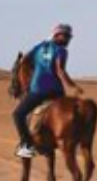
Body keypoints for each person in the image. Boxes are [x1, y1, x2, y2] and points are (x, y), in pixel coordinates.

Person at [13, 23, 84, 158]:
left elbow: (24, 62)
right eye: (66, 36)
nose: (68, 40)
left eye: (69, 37)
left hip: (38, 90)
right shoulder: (62, 51)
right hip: (57, 91)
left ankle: (26, 145)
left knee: (18, 115)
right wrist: (72, 85)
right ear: (56, 35)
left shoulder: (39, 48)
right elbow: (60, 71)